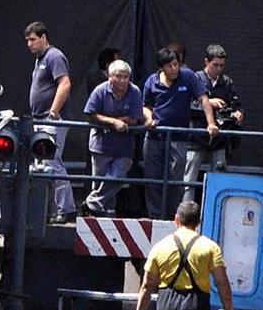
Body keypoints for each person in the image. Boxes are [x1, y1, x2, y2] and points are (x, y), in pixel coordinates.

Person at [142, 47, 218, 219]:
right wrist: (149, 119)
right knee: (152, 179)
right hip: (155, 136)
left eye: (176, 64)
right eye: (170, 66)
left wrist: (211, 123)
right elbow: (146, 106)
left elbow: (204, 99)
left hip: (178, 137)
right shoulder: (151, 82)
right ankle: (154, 216)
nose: (174, 68)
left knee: (176, 180)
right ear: (161, 67)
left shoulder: (188, 76)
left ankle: (172, 216)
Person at [25, 21, 74, 222]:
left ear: (44, 37)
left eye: (33, 39)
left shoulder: (54, 56)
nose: (29, 44)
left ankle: (65, 208)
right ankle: (50, 210)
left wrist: (53, 111)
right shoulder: (40, 59)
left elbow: (65, 83)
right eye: (27, 40)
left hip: (50, 119)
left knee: (53, 163)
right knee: (43, 165)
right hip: (40, 119)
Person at [183, 44, 244, 202]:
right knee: (188, 180)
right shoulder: (194, 79)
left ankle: (215, 209)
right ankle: (184, 212)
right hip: (196, 134)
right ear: (206, 62)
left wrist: (237, 114)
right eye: (215, 65)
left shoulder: (227, 82)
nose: (218, 69)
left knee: (219, 179)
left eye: (221, 66)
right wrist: (208, 102)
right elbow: (185, 104)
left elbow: (236, 105)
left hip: (219, 138)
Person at [82, 60, 143, 215]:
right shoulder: (100, 90)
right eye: (118, 76)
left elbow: (135, 118)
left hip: (124, 147)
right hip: (101, 145)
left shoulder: (134, 91)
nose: (122, 80)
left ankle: (90, 204)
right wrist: (113, 121)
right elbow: (90, 114)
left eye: (125, 77)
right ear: (110, 76)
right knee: (100, 182)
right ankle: (105, 213)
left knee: (117, 177)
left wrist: (118, 121)